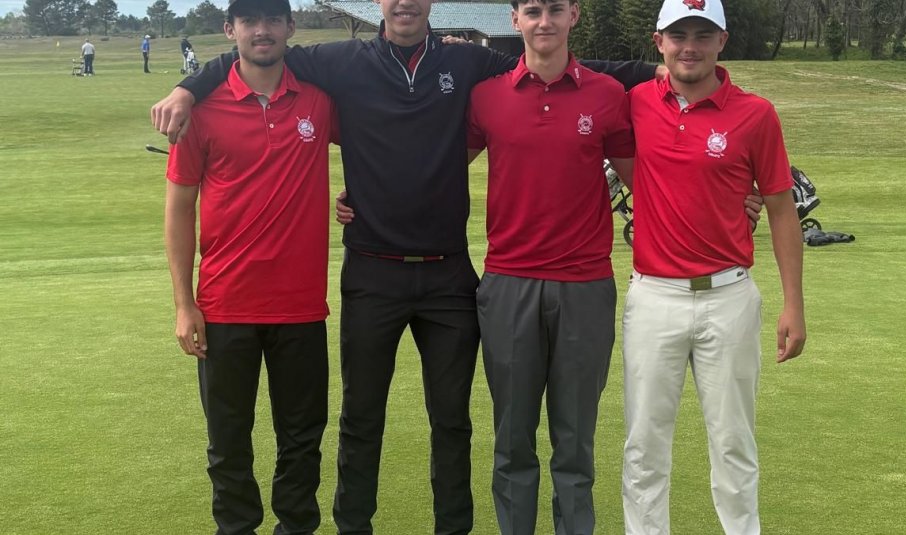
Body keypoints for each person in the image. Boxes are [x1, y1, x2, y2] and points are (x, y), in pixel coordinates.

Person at [151, 3, 660, 532]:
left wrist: (655, 67)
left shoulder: (464, 63)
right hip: (372, 272)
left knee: (451, 422)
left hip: (448, 275)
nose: (405, 4)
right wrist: (188, 88)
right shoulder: (342, 61)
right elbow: (259, 51)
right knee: (361, 419)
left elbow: (549, 56)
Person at [620, 0, 806, 534]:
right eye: (679, 35)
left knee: (732, 442)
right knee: (644, 443)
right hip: (654, 296)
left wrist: (793, 303)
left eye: (703, 34)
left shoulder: (755, 113)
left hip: (729, 296)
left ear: (723, 41)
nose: (690, 46)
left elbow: (779, 207)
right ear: (659, 41)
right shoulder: (635, 103)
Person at [163, 0, 335, 533]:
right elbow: (178, 208)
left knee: (302, 440)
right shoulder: (202, 108)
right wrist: (183, 304)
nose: (261, 30)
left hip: (301, 307)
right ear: (229, 29)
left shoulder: (321, 101)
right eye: (248, 21)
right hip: (224, 306)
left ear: (290, 27)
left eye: (272, 19)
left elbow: (381, 146)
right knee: (228, 441)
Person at [465, 0, 633, 533]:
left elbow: (649, 184)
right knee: (512, 440)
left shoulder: (606, 96)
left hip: (585, 286)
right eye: (532, 10)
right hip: (509, 284)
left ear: (573, 16)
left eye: (555, 9)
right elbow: (433, 169)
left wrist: (732, 204)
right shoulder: (486, 97)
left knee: (575, 441)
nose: (544, 21)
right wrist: (365, 199)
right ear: (514, 19)